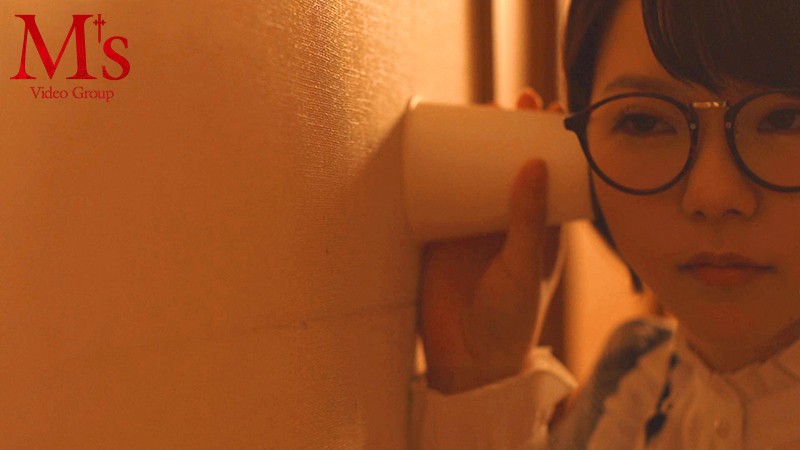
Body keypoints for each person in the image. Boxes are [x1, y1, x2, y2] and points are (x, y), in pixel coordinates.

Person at [411, 0, 800, 448]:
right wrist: (479, 384)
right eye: (645, 122)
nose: (713, 195)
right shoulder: (626, 391)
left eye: (785, 119)